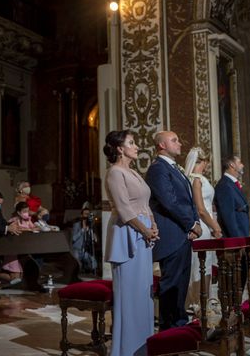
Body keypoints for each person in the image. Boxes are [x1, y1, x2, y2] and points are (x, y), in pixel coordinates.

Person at [104, 130, 158, 356]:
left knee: (144, 291)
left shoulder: (133, 172)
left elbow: (145, 203)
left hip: (143, 234)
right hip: (128, 234)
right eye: (132, 143)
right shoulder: (115, 173)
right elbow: (124, 209)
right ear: (119, 148)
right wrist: (146, 230)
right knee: (130, 294)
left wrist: (154, 225)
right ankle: (126, 349)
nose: (136, 147)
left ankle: (143, 346)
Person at [146, 130, 201, 331]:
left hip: (182, 234)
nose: (179, 143)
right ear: (162, 145)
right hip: (171, 236)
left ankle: (179, 328)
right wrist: (191, 224)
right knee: (171, 286)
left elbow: (188, 200)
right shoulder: (158, 169)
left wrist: (194, 223)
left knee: (180, 286)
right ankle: (169, 333)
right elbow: (169, 202)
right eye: (174, 140)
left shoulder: (173, 168)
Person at [184, 147, 221, 306]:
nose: (207, 166)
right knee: (200, 267)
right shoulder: (196, 180)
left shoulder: (196, 178)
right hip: (203, 228)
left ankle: (203, 303)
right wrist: (216, 227)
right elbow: (201, 209)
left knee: (204, 266)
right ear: (203, 161)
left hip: (206, 227)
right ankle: (198, 303)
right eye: (206, 162)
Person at [1, 202, 37, 284]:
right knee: (15, 279)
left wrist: (38, 226)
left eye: (27, 211)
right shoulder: (13, 220)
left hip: (22, 250)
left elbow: (34, 228)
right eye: (24, 211)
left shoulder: (28, 220)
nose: (26, 213)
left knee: (20, 278)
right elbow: (17, 229)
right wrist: (28, 230)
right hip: (13, 251)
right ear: (18, 212)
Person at [214, 155, 249, 238]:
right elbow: (228, 215)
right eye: (240, 162)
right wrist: (237, 238)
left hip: (242, 233)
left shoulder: (231, 183)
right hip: (235, 236)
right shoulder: (224, 185)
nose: (242, 165)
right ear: (232, 165)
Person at [71, 207, 98, 274]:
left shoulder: (91, 225)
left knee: (93, 264)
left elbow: (95, 240)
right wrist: (82, 230)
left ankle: (87, 272)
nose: (87, 216)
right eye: (85, 214)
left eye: (88, 214)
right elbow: (73, 238)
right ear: (81, 215)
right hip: (77, 249)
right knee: (76, 266)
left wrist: (94, 236)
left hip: (85, 250)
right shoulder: (76, 225)